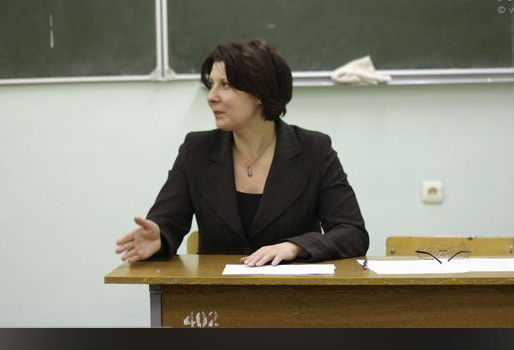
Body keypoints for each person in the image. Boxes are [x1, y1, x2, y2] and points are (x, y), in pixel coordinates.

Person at [115, 39, 368, 266]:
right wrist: (159, 238)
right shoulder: (196, 150)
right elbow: (166, 223)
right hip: (216, 296)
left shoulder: (314, 149)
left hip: (292, 296)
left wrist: (295, 247)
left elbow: (352, 233)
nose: (211, 97)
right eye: (211, 85)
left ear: (259, 92)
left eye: (225, 85)